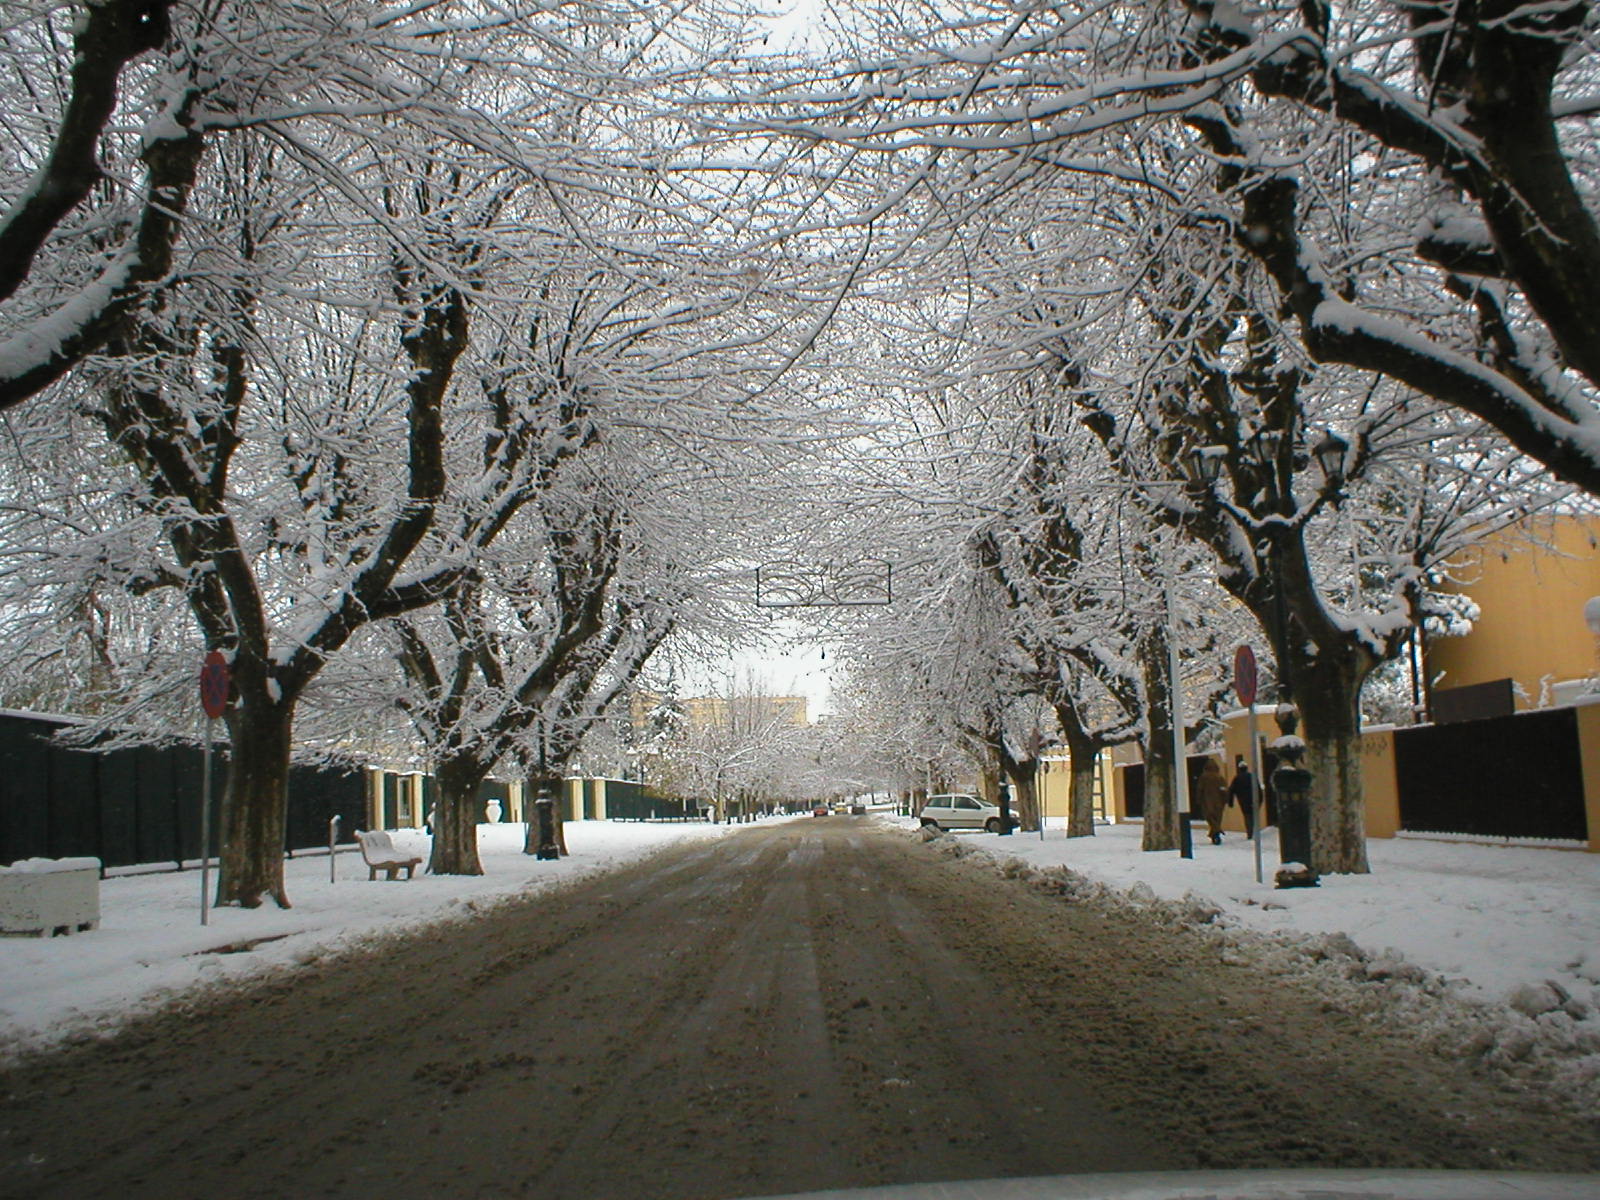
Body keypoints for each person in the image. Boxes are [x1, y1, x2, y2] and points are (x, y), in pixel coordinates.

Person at [1195, 757, 1228, 845]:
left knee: (1210, 818)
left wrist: (1198, 799)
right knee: (1217, 819)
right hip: (1219, 802)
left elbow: (1200, 789)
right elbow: (1224, 789)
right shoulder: (1219, 777)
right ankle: (1216, 833)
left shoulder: (1203, 777)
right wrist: (1225, 799)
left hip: (1207, 801)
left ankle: (1215, 833)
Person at [1229, 756, 1255, 837]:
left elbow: (1231, 790)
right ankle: (1251, 830)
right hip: (1252, 799)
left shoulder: (1237, 778)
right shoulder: (1252, 776)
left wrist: (1230, 802)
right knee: (1252, 815)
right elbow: (1258, 788)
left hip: (1242, 800)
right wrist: (1260, 800)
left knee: (1247, 815)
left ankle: (1249, 831)